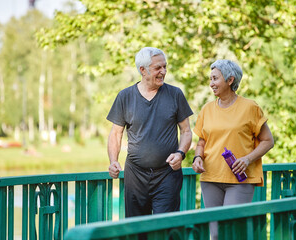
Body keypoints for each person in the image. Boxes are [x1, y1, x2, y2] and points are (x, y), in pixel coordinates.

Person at [107, 47, 193, 219]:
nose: (163, 72)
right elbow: (116, 134)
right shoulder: (125, 96)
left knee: (165, 228)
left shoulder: (175, 94)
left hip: (167, 174)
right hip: (135, 176)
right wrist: (113, 161)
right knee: (138, 229)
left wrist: (180, 153)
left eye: (165, 67)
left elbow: (186, 131)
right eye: (158, 68)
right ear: (142, 70)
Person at [192, 59, 274, 240]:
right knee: (214, 234)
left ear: (230, 80)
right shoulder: (206, 109)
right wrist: (197, 158)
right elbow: (201, 142)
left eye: (215, 78)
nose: (211, 83)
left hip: (240, 180)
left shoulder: (250, 107)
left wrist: (247, 159)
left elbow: (268, 141)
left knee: (231, 233)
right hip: (210, 178)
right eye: (210, 79)